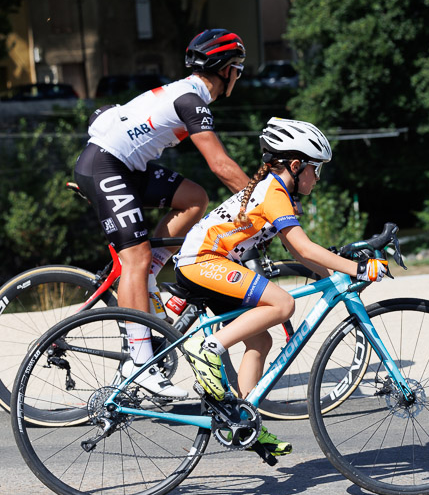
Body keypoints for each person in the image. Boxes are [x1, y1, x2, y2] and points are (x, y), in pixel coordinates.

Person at [175, 117, 390, 456]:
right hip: (202, 261)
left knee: (260, 339)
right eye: (315, 169)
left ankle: (242, 420)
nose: (317, 177)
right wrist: (359, 267)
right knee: (282, 304)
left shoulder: (277, 192)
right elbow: (304, 248)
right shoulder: (274, 192)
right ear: (296, 165)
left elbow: (294, 249)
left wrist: (336, 276)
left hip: (210, 262)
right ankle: (208, 349)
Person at [72, 29, 251, 398]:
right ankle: (140, 363)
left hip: (122, 167)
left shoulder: (186, 93)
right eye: (237, 68)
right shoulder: (191, 99)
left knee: (193, 198)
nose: (238, 75)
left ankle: (152, 270)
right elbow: (220, 164)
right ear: (223, 70)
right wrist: (263, 201)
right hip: (107, 166)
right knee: (133, 257)